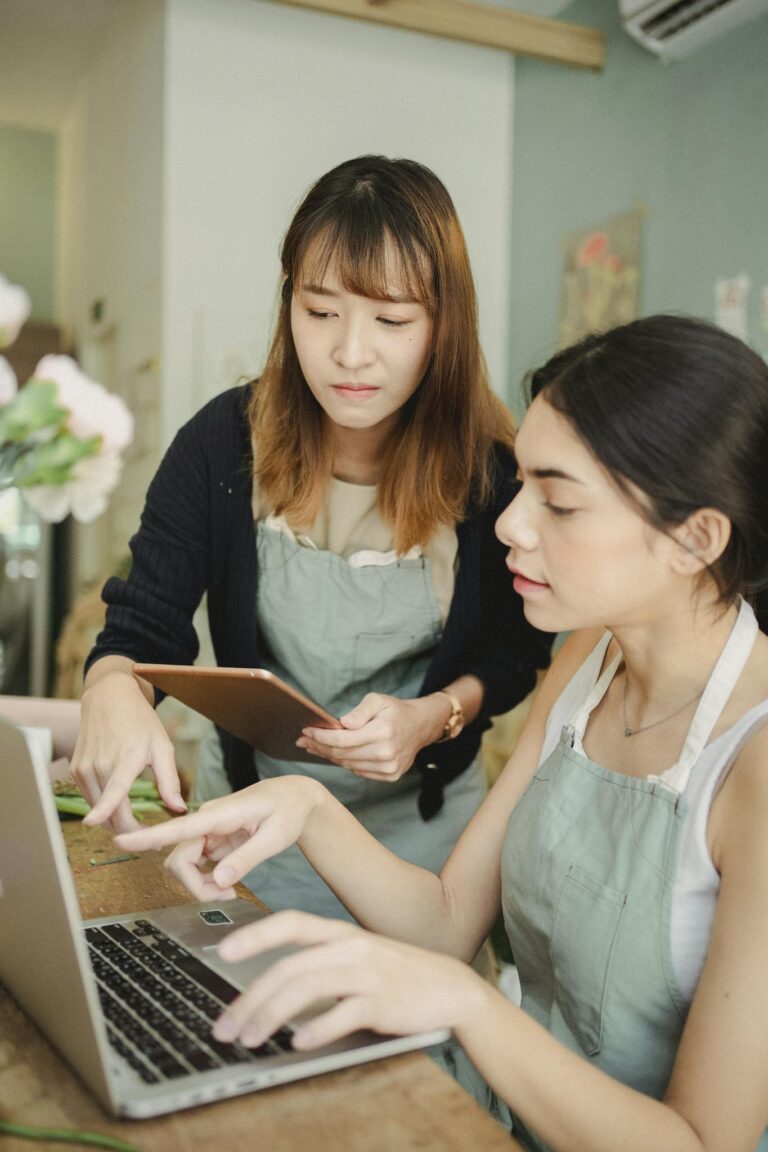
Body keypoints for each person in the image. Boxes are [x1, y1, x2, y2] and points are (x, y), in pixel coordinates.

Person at [117, 314, 768, 1152]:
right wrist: (306, 806)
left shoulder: (752, 760)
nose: (509, 524)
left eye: (558, 501)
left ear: (697, 538)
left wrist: (466, 1001)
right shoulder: (587, 661)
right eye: (523, 484)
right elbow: (449, 920)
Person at [73, 154, 552, 918]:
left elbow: (516, 651)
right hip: (251, 825)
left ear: (442, 325)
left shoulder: (489, 474)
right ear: (288, 301)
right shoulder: (223, 442)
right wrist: (112, 688)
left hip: (418, 838)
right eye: (319, 311)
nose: (348, 353)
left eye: (392, 320)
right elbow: (143, 625)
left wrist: (434, 716)